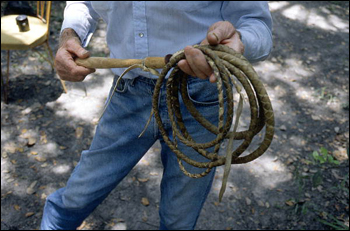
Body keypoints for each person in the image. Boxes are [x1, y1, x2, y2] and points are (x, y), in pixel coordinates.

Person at [41, 2, 272, 230]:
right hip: (127, 92)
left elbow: (256, 23)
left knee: (179, 218)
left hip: (200, 96)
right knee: (77, 196)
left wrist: (239, 42)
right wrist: (69, 36)